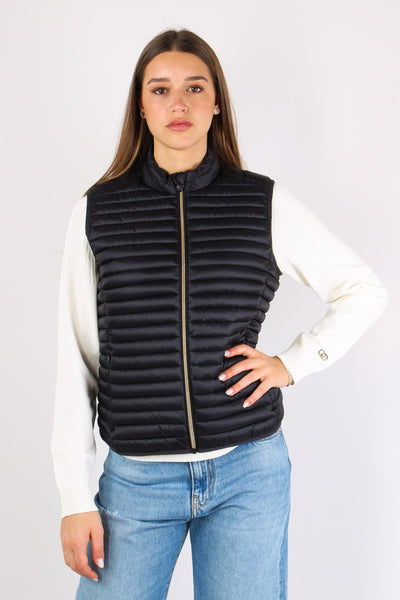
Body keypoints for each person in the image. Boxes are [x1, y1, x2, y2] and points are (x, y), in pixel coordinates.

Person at [50, 28, 388, 600]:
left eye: (194, 88)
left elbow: (361, 289)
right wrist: (74, 498)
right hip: (136, 481)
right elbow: (77, 360)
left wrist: (292, 363)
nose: (178, 104)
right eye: (160, 90)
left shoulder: (262, 202)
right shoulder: (98, 211)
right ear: (141, 106)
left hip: (248, 472)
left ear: (216, 104)